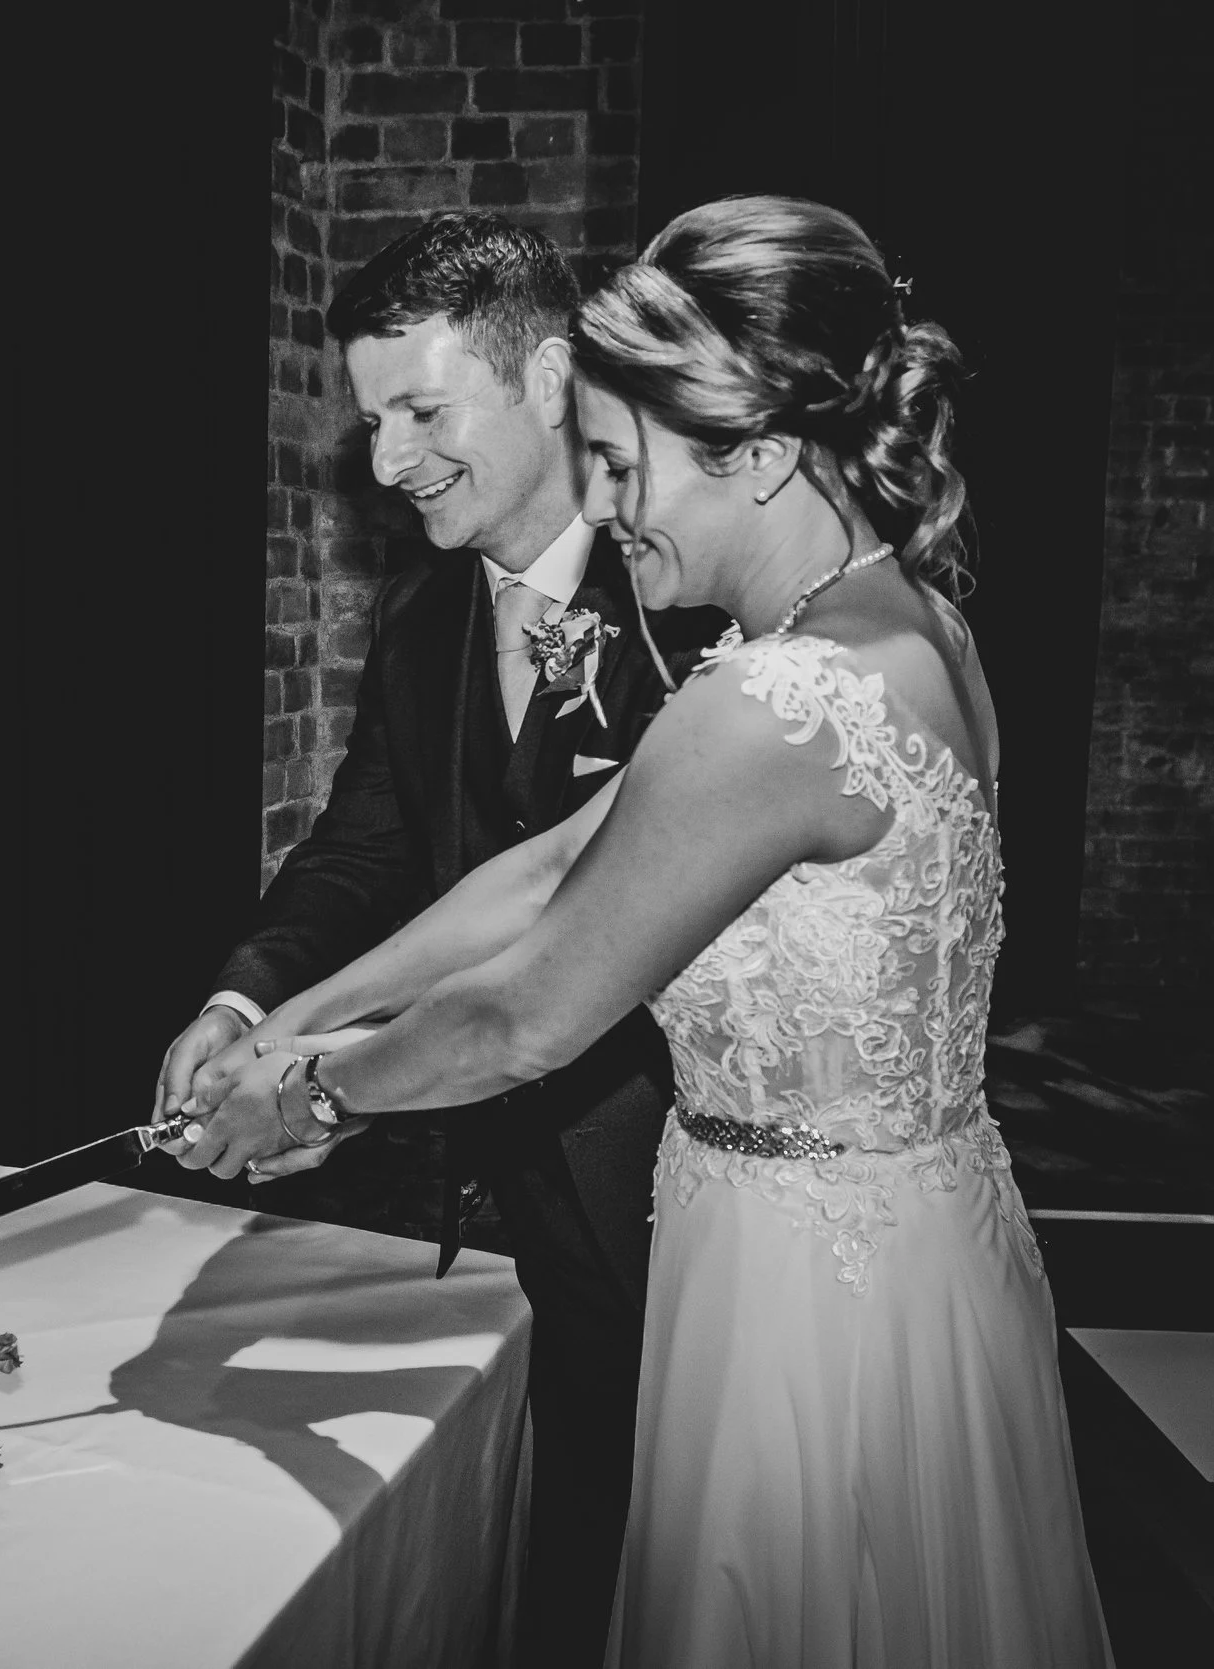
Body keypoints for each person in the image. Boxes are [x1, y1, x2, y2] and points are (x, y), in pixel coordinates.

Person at [180, 196, 1111, 1667]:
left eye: (622, 463)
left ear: (753, 449)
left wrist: (303, 1098)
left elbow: (527, 1012)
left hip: (805, 1295)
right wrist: (281, 1019)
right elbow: (551, 868)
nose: (605, 506)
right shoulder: (910, 627)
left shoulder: (772, 705)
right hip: (906, 1239)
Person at [153, 210, 723, 1668]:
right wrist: (244, 999)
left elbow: (582, 918)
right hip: (473, 1196)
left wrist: (321, 1067)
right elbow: (361, 856)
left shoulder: (698, 608)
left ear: (547, 384)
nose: (389, 460)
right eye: (372, 424)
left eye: (423, 410)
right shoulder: (421, 628)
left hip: (665, 1189)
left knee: (692, 1556)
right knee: (534, 1548)